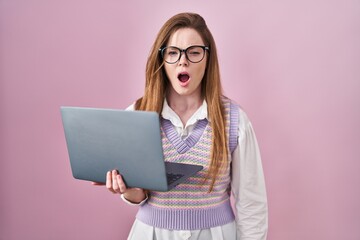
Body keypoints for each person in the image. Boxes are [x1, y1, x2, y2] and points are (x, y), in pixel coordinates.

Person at [95, 12, 268, 240]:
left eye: (194, 52)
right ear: (162, 60)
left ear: (208, 59)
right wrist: (127, 188)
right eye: (173, 53)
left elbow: (251, 203)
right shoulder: (137, 115)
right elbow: (140, 194)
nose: (182, 61)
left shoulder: (235, 121)